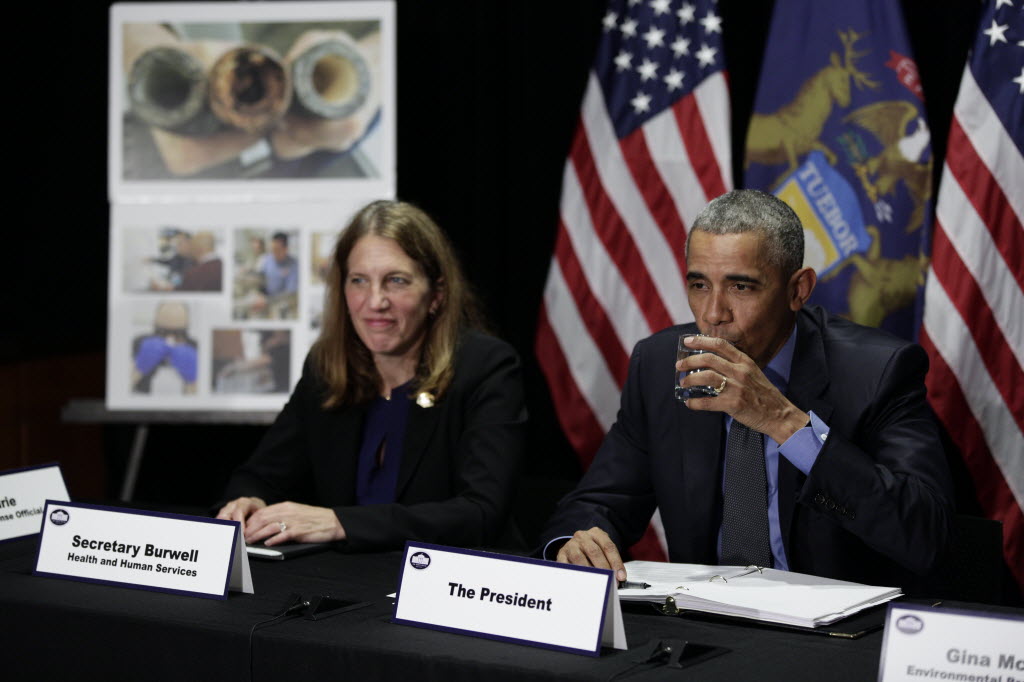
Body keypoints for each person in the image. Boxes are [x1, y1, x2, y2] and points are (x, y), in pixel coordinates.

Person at [542, 189, 953, 590]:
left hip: (835, 627)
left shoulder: (877, 371)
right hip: (703, 621)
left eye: (741, 287)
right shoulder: (660, 364)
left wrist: (783, 422)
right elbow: (600, 502)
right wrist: (577, 543)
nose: (713, 314)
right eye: (699, 285)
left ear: (798, 290)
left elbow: (926, 534)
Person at [217, 200, 527, 551]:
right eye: (359, 281)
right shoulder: (326, 368)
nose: (375, 301)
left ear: (436, 295)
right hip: (347, 578)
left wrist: (340, 523)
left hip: (452, 577)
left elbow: (481, 512)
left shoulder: (486, 367)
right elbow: (261, 476)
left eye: (396, 281)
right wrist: (248, 501)